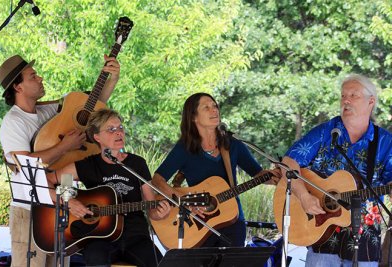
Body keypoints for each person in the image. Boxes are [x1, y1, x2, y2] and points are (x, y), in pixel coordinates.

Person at [0, 54, 120, 267]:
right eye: (33, 76)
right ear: (18, 87)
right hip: (30, 210)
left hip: (63, 205)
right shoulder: (13, 122)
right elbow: (26, 163)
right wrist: (65, 146)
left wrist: (112, 80)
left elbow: (91, 109)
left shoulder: (47, 111)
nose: (40, 78)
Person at [282, 74, 392, 266]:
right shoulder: (326, 131)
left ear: (371, 102)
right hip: (322, 233)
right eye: (343, 96)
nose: (346, 100)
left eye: (353, 95)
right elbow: (288, 162)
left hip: (365, 239)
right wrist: (304, 196)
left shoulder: (385, 142)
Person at [151, 92, 281, 247]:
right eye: (206, 107)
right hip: (199, 223)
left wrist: (274, 177)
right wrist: (182, 200)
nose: (214, 110)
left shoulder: (232, 144)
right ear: (193, 117)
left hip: (233, 219)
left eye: (215, 106)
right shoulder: (185, 149)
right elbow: (157, 180)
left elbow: (257, 173)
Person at [48, 108, 171, 267]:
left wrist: (160, 214)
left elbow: (152, 209)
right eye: (111, 129)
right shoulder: (88, 166)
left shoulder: (137, 163)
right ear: (97, 137)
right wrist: (69, 202)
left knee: (159, 263)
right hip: (100, 238)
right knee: (95, 260)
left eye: (120, 128)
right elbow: (48, 180)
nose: (119, 133)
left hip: (136, 236)